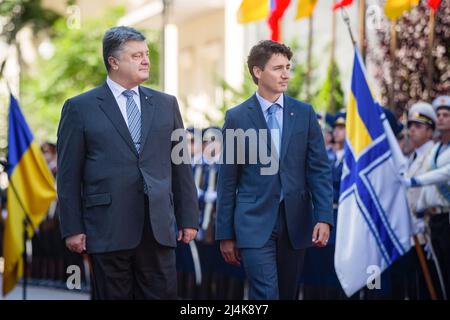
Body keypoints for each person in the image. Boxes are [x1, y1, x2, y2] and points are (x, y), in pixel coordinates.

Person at [57, 26, 199, 300]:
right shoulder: (79, 108)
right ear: (114, 61)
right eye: (136, 55)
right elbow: (68, 176)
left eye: (145, 54)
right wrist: (73, 228)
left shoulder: (166, 104)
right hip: (108, 226)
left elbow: (181, 166)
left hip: (157, 227)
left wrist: (188, 218)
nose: (146, 60)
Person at [215, 40, 333, 300]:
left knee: (288, 294)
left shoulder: (304, 113)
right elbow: (227, 180)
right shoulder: (237, 117)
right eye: (278, 68)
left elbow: (319, 170)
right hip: (253, 223)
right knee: (266, 294)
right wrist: (225, 234)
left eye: (288, 67)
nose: (286, 74)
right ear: (258, 72)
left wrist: (324, 216)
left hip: (296, 223)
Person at [403, 95, 450, 298]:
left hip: (447, 217)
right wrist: (420, 215)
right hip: (432, 221)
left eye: (446, 115)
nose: (441, 118)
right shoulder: (436, 151)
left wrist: (413, 182)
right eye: (438, 114)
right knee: (434, 280)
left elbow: (443, 174)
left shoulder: (435, 152)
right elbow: (424, 195)